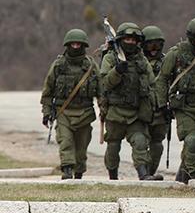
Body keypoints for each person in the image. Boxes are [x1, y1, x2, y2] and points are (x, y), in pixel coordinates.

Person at [156, 17, 195, 183]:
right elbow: (162, 79)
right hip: (183, 106)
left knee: (192, 148)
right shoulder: (176, 54)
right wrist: (162, 104)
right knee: (192, 141)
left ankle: (182, 178)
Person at [40, 29, 101, 180]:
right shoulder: (58, 65)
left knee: (81, 148)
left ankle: (79, 172)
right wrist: (46, 112)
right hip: (63, 112)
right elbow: (47, 91)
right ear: (67, 45)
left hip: (85, 113)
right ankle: (67, 170)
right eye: (73, 44)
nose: (75, 46)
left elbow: (101, 90)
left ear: (84, 45)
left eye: (78, 44)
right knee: (65, 142)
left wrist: (104, 109)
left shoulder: (91, 66)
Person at [100, 22, 157, 180]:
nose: (130, 42)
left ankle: (143, 173)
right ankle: (113, 176)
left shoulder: (142, 60)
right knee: (113, 146)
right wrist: (117, 71)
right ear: (120, 39)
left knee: (140, 141)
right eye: (127, 39)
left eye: (134, 40)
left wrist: (154, 104)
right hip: (115, 111)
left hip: (135, 112)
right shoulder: (111, 58)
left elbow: (152, 83)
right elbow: (104, 82)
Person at [141, 25, 166, 179]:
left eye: (157, 44)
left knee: (157, 144)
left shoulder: (166, 62)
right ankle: (143, 173)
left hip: (160, 111)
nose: (154, 49)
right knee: (140, 143)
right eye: (150, 44)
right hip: (141, 110)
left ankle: (149, 173)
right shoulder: (138, 61)